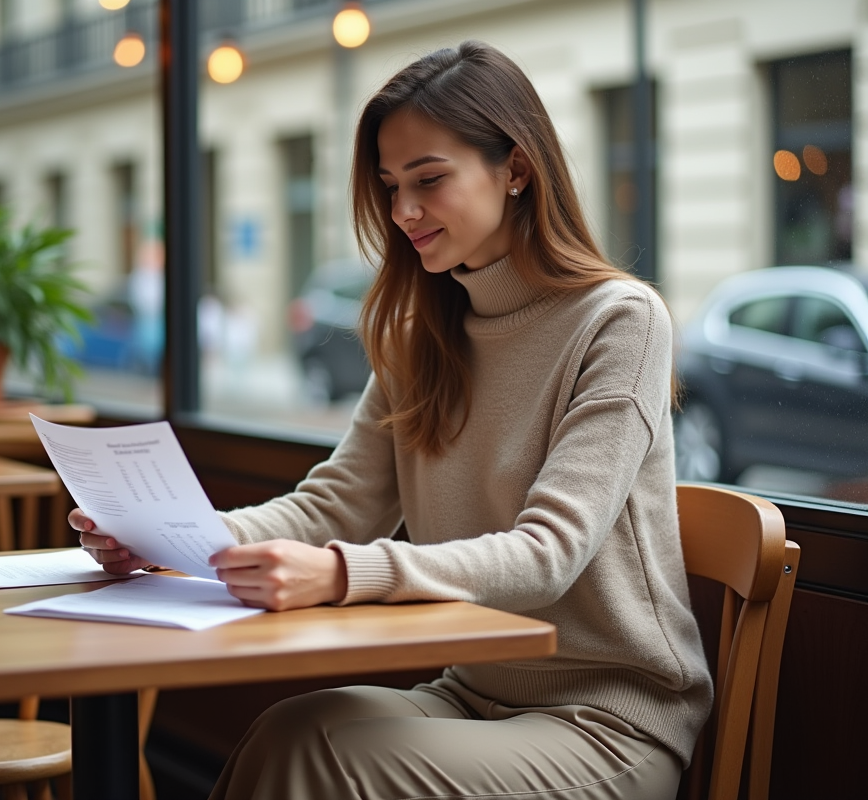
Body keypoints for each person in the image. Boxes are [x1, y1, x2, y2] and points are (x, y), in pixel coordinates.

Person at [72, 39, 711, 800]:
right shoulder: (422, 335)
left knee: (321, 760)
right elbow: (334, 505)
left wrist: (343, 574)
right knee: (288, 731)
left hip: (609, 724)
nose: (402, 211)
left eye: (429, 180)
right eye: (390, 185)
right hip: (472, 696)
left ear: (515, 169)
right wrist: (178, 541)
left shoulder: (619, 321)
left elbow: (549, 554)